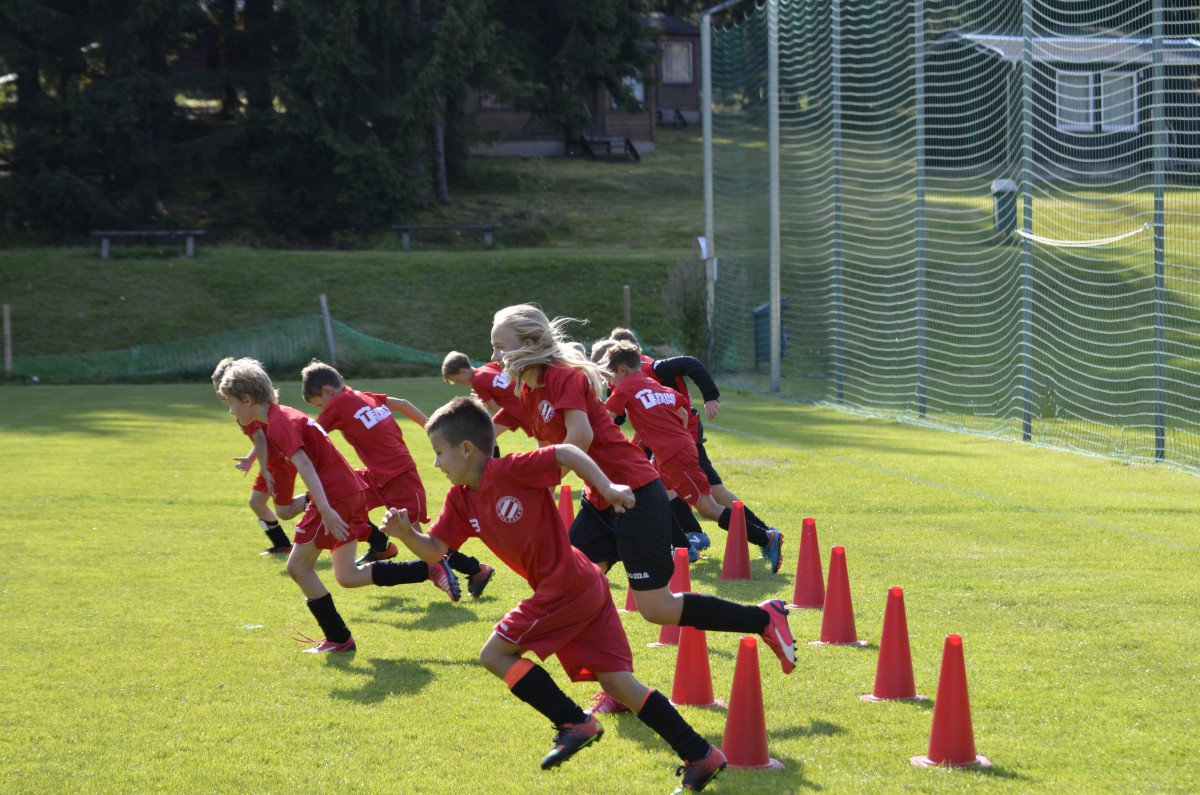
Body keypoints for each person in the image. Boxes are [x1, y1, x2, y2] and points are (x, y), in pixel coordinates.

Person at [381, 396, 727, 792]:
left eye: (439, 452)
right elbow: (434, 550)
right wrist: (406, 534)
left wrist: (607, 486)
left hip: (565, 585)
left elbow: (566, 452)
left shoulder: (511, 470)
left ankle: (573, 722)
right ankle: (701, 754)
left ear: (466, 449)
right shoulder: (460, 500)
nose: (436, 463)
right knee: (618, 685)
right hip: (581, 583)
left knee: (494, 655)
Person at [488, 304, 796, 704]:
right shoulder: (529, 389)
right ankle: (617, 687)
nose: (494, 356)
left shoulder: (562, 376)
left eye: (500, 346)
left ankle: (763, 617)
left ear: (529, 343)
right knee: (567, 587)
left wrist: (538, 480)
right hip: (600, 500)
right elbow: (540, 442)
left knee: (656, 607)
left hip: (634, 493)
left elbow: (579, 437)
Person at [217, 358, 460, 653]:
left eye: (230, 403)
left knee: (298, 567)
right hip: (350, 490)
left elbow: (305, 464)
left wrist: (325, 509)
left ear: (246, 399)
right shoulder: (284, 415)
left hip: (336, 497)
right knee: (347, 576)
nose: (230, 411)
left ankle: (338, 638)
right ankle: (429, 569)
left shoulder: (280, 423)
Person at [301, 359, 495, 598]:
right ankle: (381, 547)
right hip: (378, 476)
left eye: (320, 405)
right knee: (346, 499)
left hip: (400, 478)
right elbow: (403, 404)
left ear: (327, 391)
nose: (323, 409)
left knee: (419, 540)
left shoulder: (338, 403)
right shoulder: (364, 396)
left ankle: (476, 570)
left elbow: (310, 434)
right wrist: (432, 429)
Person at [597, 331, 785, 573]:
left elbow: (605, 421)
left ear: (621, 370)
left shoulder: (623, 389)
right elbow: (682, 411)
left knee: (708, 508)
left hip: (675, 455)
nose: (609, 384)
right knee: (657, 496)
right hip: (677, 450)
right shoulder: (652, 383)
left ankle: (766, 537)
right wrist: (672, 436)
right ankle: (684, 548)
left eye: (608, 377)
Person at [211, 357, 306, 555]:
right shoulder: (244, 410)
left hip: (280, 463)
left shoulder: (247, 412)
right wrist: (251, 458)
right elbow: (263, 438)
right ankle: (282, 544)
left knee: (285, 511)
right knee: (256, 502)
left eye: (220, 387)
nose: (219, 394)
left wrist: (263, 468)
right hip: (271, 463)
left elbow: (261, 438)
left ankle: (316, 499)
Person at [441, 351, 538, 450]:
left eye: (457, 380)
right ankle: (494, 460)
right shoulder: (488, 367)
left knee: (544, 439)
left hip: (519, 407)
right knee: (488, 434)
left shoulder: (477, 381)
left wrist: (482, 399)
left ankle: (545, 457)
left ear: (463, 371)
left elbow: (494, 408)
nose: (459, 384)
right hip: (521, 400)